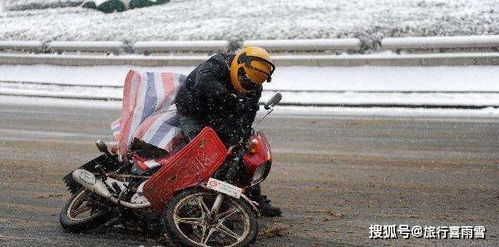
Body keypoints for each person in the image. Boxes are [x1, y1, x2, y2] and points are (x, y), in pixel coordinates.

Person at [174, 46, 282, 217]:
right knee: (207, 155)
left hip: (221, 114)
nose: (249, 86)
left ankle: (255, 198)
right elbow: (203, 80)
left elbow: (250, 110)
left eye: (254, 84)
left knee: (241, 154)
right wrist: (226, 96)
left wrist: (244, 132)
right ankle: (210, 205)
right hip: (193, 113)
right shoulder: (217, 64)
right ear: (238, 66)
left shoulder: (254, 86)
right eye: (246, 81)